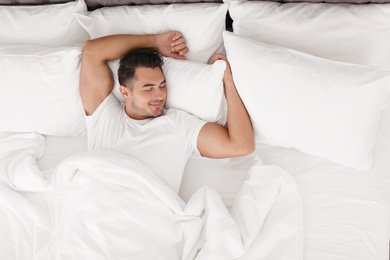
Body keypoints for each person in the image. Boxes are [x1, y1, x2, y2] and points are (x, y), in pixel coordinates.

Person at [79, 31, 254, 192]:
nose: (160, 95)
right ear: (125, 92)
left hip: (148, 212)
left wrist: (228, 81)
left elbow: (241, 145)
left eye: (162, 85)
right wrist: (154, 42)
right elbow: (92, 51)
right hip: (98, 202)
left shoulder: (180, 124)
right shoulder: (105, 117)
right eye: (148, 88)